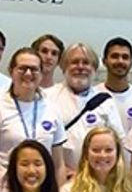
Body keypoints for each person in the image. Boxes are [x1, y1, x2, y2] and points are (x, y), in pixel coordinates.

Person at [0, 46, 67, 192]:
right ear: (11, 71)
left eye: (34, 69)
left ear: (41, 73)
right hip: (3, 191)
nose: (28, 74)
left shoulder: (52, 110)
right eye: (22, 69)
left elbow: (58, 165)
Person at [46, 41, 107, 173]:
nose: (80, 67)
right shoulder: (47, 98)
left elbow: (117, 143)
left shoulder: (105, 102)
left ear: (94, 68)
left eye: (86, 62)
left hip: (96, 176)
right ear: (64, 67)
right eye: (74, 62)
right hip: (58, 176)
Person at [96, 36, 132, 133]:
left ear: (131, 63)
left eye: (125, 57)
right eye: (114, 56)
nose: (120, 61)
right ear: (104, 61)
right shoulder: (92, 98)